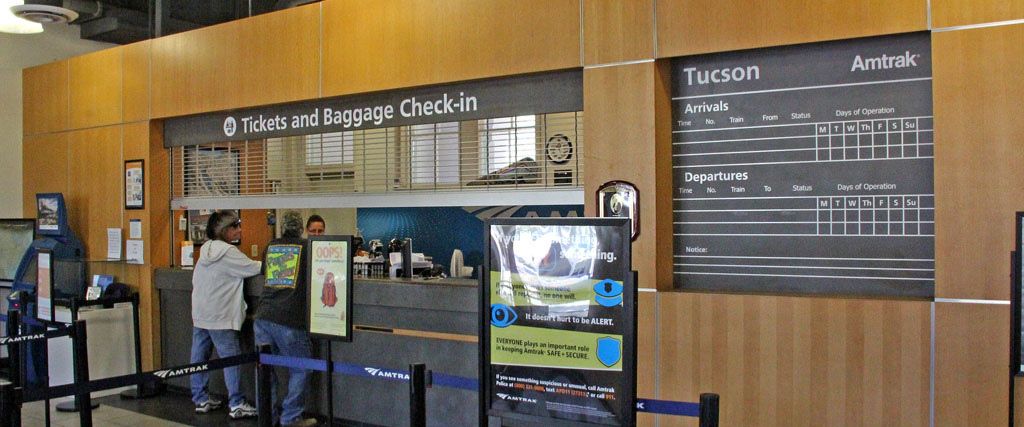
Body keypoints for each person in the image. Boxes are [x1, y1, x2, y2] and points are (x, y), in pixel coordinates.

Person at [190, 210, 262, 419]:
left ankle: (200, 398)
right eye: (235, 226)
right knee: (231, 359)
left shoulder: (206, 249)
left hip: (201, 312)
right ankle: (237, 402)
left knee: (199, 357)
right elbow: (253, 268)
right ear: (224, 230)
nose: (239, 229)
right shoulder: (229, 252)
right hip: (221, 315)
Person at [255, 212, 317, 427]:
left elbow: (265, 274)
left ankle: (267, 417)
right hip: (289, 318)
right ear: (302, 228)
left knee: (265, 371)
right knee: (301, 368)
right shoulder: (307, 248)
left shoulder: (271, 246)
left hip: (263, 315)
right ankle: (290, 418)